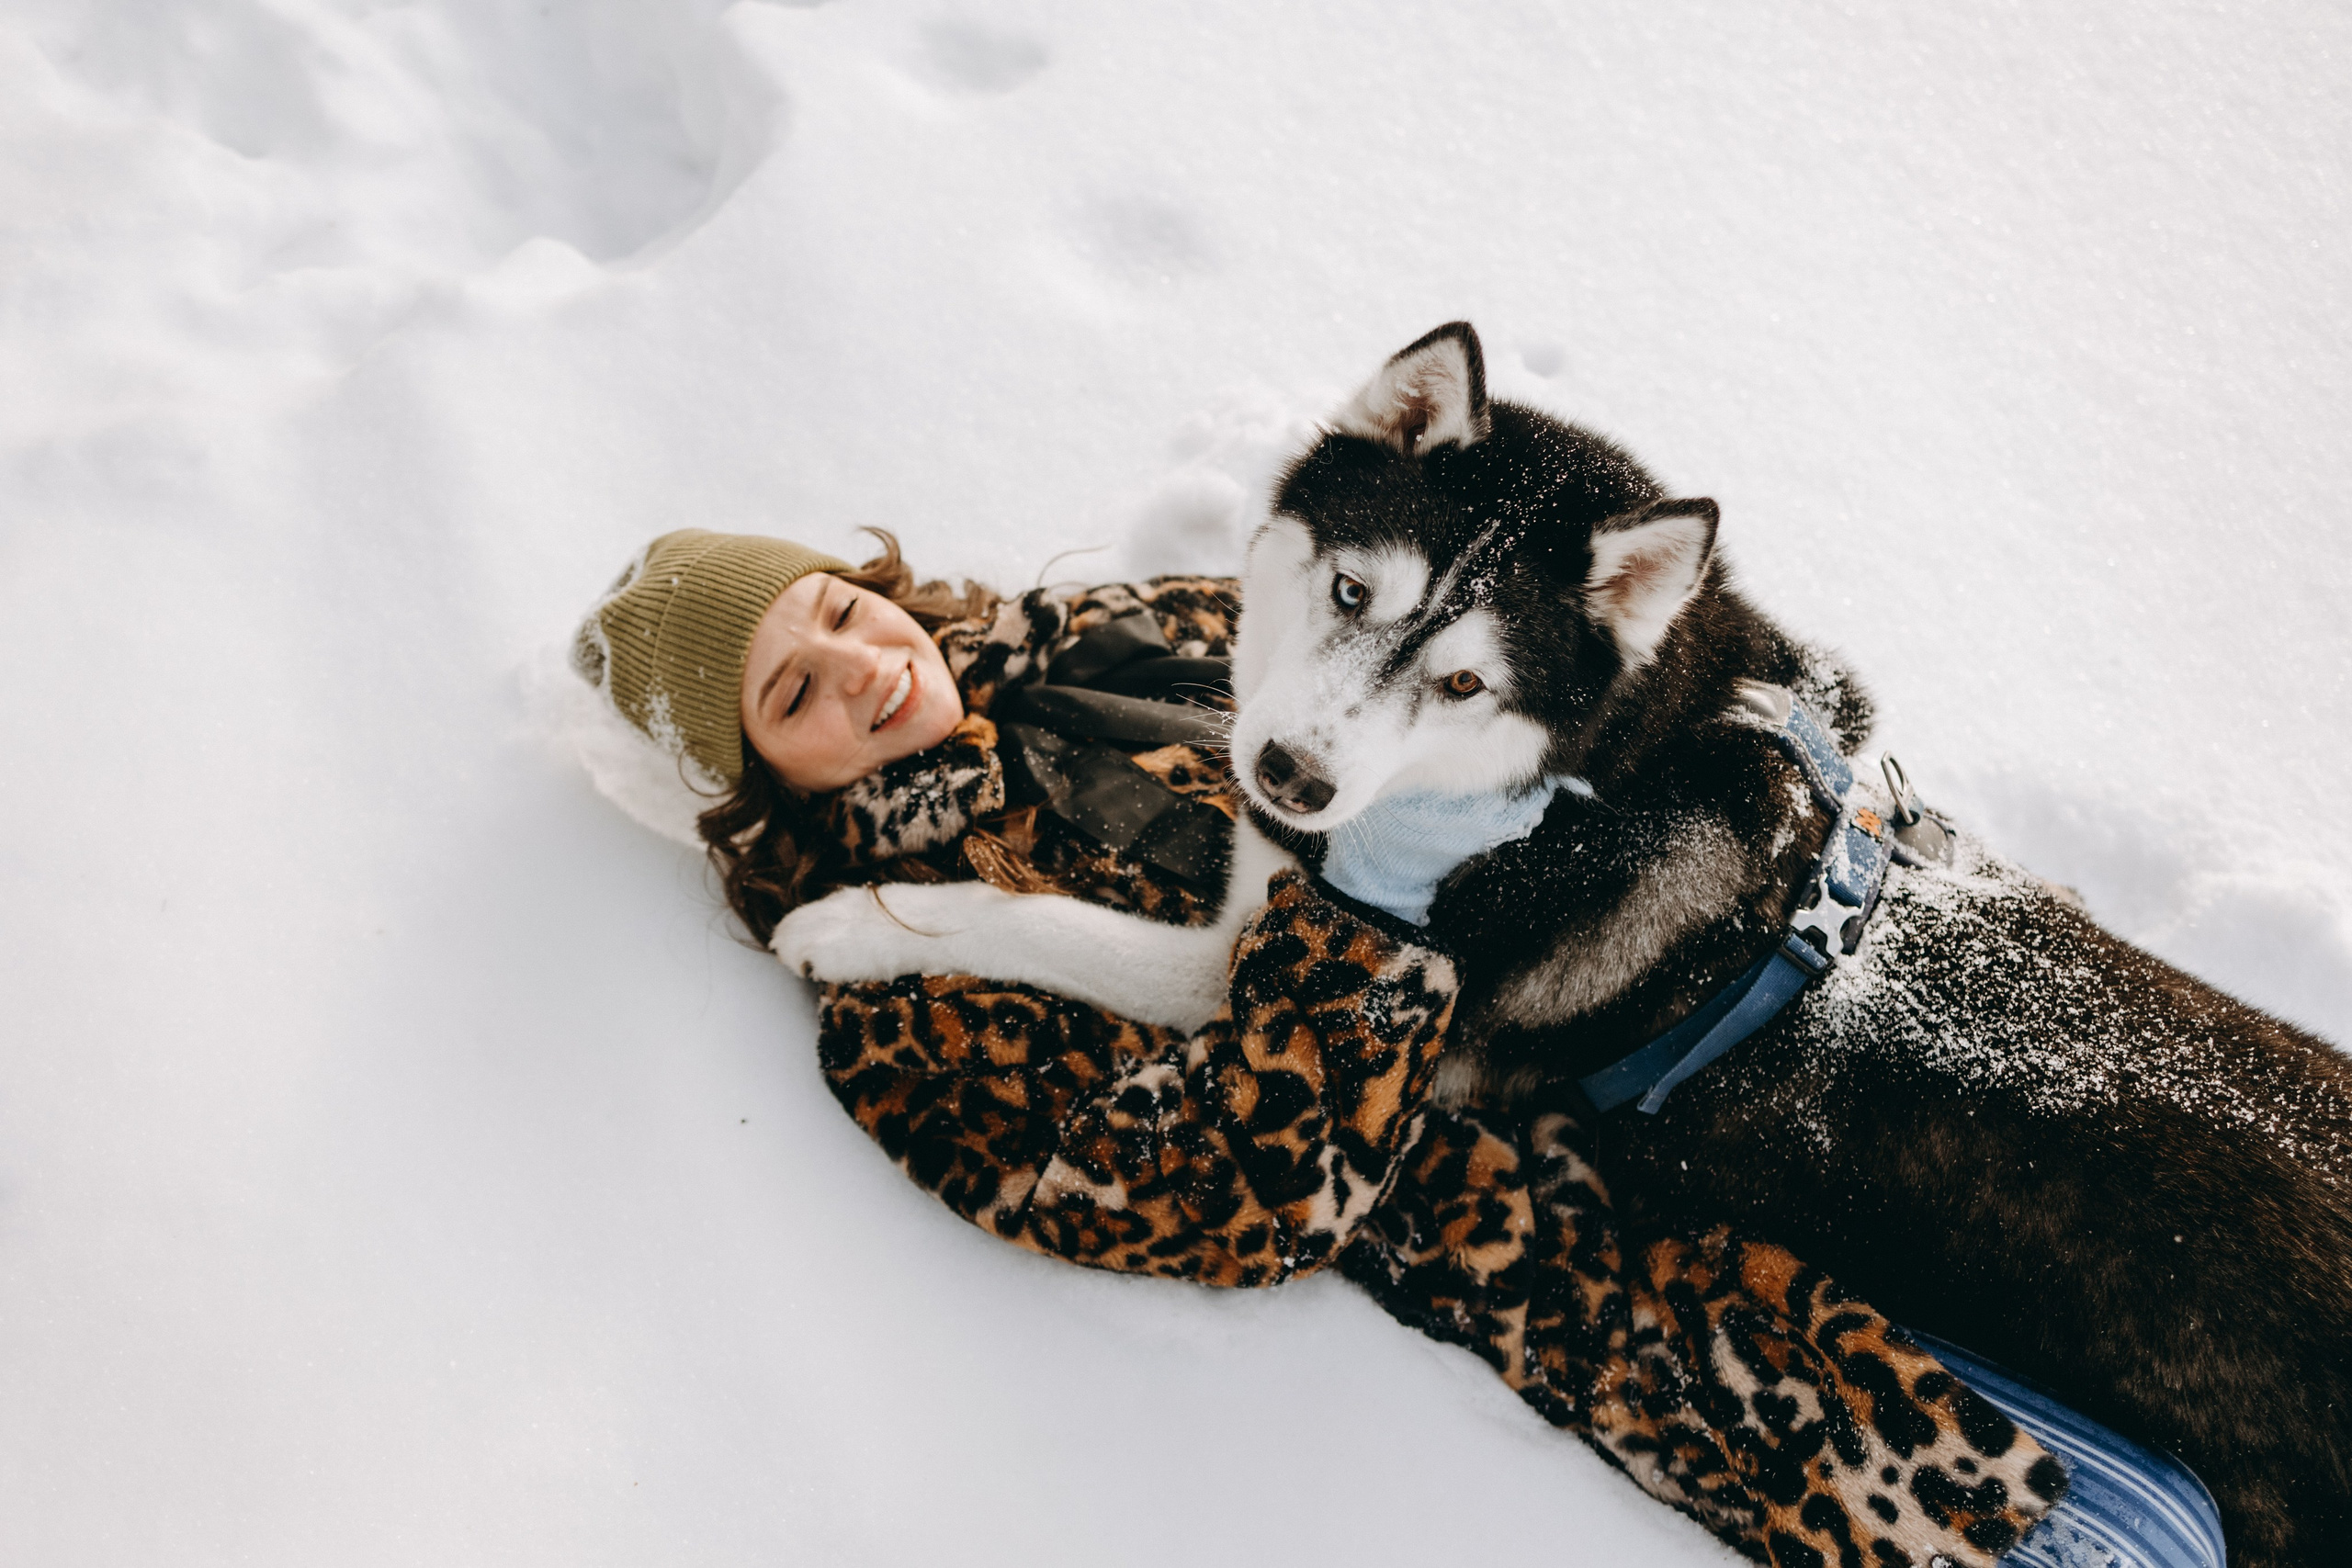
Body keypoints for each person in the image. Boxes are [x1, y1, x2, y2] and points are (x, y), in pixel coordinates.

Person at [566, 526, 2217, 1568]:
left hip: (1788, 1009)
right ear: (753, 781)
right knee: (2140, 1532)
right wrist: (1373, 929)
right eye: (794, 690)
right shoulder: (898, 986)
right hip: (1617, 1247)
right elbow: (1219, 1193)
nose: (860, 664)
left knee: (2249, 1331)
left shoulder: (1138, 621)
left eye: (841, 610)